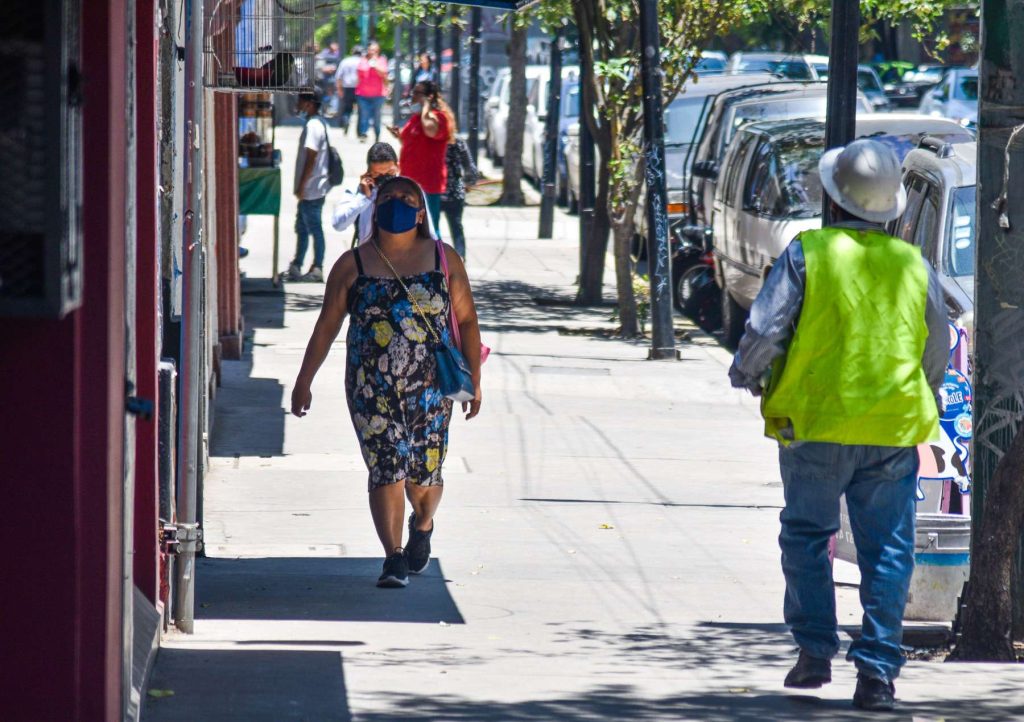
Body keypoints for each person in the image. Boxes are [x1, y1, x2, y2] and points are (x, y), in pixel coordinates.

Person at [728, 139, 949, 712]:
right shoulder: (913, 264)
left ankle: (813, 652)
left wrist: (747, 375)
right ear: (891, 208)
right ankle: (877, 671)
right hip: (892, 429)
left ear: (831, 201)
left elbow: (765, 329)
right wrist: (919, 391)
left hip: (815, 426)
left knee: (806, 536)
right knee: (888, 549)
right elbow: (937, 345)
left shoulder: (809, 253)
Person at [290, 175, 483, 588]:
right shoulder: (351, 264)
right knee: (386, 466)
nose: (397, 202)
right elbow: (326, 327)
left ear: (420, 211)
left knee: (424, 474)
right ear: (375, 208)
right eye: (389, 196)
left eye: (407, 197)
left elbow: (466, 321)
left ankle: (424, 522)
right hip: (369, 388)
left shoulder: (443, 259)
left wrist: (475, 381)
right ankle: (392, 556)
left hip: (432, 389)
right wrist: (304, 380)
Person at [388, 81, 452, 234]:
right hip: (409, 181)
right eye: (413, 92)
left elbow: (430, 131)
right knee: (409, 227)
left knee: (429, 229)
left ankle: (437, 257)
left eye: (417, 93)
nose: (413, 97)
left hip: (428, 184)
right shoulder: (415, 119)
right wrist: (399, 136)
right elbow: (411, 141)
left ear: (429, 97)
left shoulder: (438, 118)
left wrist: (426, 108)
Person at [286, 93, 332, 283]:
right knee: (302, 228)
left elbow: (311, 157)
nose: (298, 104)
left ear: (310, 104)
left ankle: (318, 267)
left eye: (301, 101)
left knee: (314, 228)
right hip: (312, 188)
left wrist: (302, 185)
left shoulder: (313, 126)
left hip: (312, 188)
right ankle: (297, 265)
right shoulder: (317, 123)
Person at [331, 142, 401, 246]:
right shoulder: (358, 190)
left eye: (389, 173)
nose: (384, 178)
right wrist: (364, 198)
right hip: (367, 257)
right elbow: (338, 224)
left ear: (398, 167)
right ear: (368, 171)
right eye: (377, 174)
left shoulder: (409, 190)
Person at [441, 130, 479, 258]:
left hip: (434, 191)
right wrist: (469, 183)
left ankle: (435, 257)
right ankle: (460, 257)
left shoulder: (430, 140)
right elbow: (470, 168)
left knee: (430, 229)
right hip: (455, 192)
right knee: (456, 226)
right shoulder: (458, 141)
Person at [355, 41, 389, 142]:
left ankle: (377, 134)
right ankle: (363, 134)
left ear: (378, 51)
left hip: (378, 95)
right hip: (363, 94)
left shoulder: (381, 60)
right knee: (364, 115)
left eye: (375, 50)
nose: (372, 52)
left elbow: (384, 73)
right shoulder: (363, 60)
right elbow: (359, 73)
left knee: (376, 117)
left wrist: (375, 64)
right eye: (371, 49)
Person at [335, 45, 362, 133]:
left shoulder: (345, 61)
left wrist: (339, 89)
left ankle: (346, 121)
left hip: (347, 87)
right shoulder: (362, 61)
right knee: (361, 110)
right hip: (360, 88)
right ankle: (359, 130)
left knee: (347, 108)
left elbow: (339, 76)